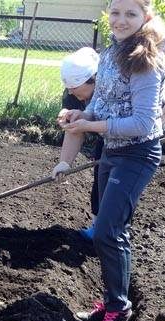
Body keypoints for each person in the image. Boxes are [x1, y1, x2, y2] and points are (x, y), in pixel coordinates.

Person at [56, 0, 165, 321]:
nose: (121, 20)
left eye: (130, 14)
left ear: (145, 17)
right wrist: (82, 115)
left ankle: (119, 308)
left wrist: (92, 126)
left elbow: (142, 123)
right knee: (110, 231)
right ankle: (110, 303)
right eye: (116, 13)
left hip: (136, 155)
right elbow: (100, 101)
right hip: (112, 152)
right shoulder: (108, 54)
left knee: (107, 232)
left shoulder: (146, 61)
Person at [52, 47, 103, 241]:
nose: (71, 92)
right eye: (69, 88)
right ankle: (98, 228)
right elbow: (75, 130)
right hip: (106, 135)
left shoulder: (110, 90)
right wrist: (64, 163)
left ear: (93, 79)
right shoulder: (72, 96)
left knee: (116, 181)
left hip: (133, 136)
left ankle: (116, 232)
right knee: (100, 176)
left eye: (75, 87)